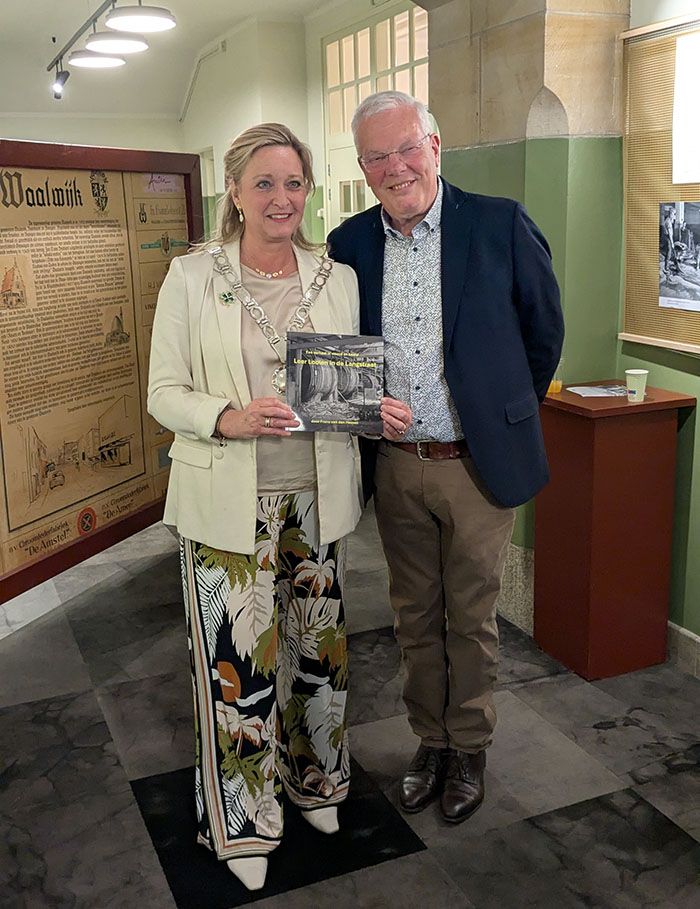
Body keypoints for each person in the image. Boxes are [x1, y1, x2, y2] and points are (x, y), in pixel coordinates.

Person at [147, 122, 411, 891]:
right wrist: (226, 416)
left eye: (294, 183)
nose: (281, 197)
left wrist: (375, 410)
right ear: (234, 191)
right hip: (227, 504)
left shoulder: (337, 277)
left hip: (317, 498)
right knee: (240, 669)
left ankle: (318, 783)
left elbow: (342, 388)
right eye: (264, 182)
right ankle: (244, 822)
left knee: (319, 658)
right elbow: (162, 391)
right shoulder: (192, 277)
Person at [328, 92, 563, 825]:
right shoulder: (348, 243)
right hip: (396, 464)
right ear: (363, 168)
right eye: (377, 156)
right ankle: (429, 741)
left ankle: (470, 746)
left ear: (435, 145)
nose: (395, 166)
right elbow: (337, 351)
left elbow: (543, 333)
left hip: (475, 464)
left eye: (406, 147)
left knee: (472, 615)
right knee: (413, 616)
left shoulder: (498, 224)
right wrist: (364, 407)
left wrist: (499, 415)